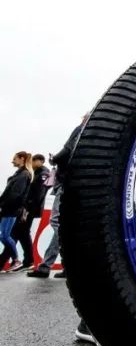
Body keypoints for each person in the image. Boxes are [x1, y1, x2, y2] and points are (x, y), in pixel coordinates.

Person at [29, 119, 84, 279]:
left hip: (66, 182)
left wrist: (54, 159)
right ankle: (57, 266)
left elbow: (66, 151)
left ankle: (60, 263)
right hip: (77, 184)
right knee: (63, 225)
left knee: (56, 222)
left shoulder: (80, 128)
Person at [8, 154, 51, 272]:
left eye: (33, 161)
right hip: (27, 208)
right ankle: (27, 261)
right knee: (22, 233)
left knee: (18, 232)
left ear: (40, 161)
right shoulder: (36, 173)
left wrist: (27, 209)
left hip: (29, 209)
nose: (31, 163)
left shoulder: (43, 174)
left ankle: (23, 261)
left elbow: (39, 194)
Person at [0, 152, 33, 272]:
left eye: (14, 159)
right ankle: (15, 260)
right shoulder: (19, 174)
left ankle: (16, 260)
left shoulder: (24, 175)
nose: (12, 161)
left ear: (22, 158)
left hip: (11, 210)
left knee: (5, 236)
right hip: (7, 209)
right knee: (4, 236)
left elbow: (15, 194)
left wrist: (3, 205)